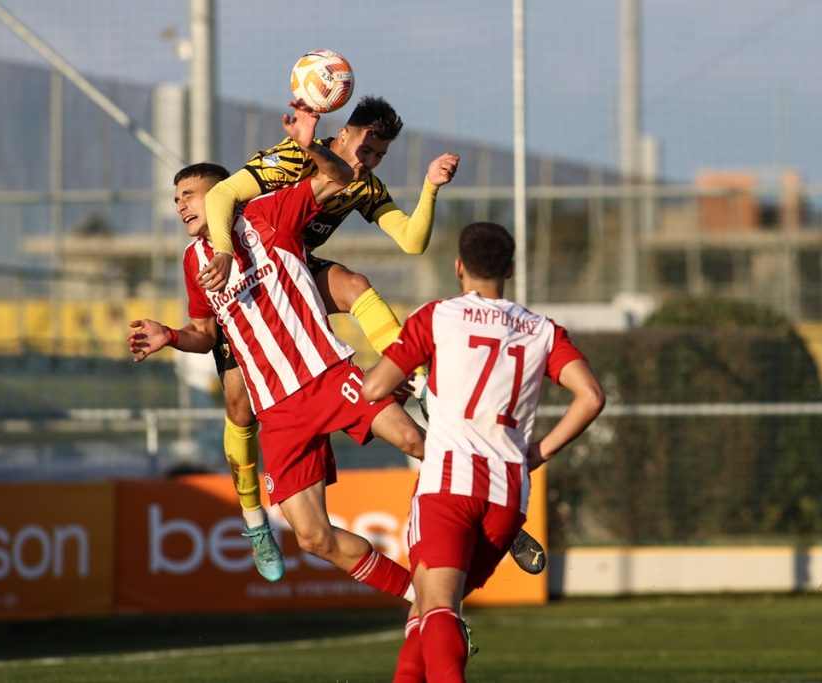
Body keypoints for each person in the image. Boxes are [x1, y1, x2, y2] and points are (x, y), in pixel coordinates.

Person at [127, 102, 424, 600]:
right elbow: (204, 333)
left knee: (417, 443)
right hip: (279, 413)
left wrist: (309, 143)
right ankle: (420, 597)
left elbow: (335, 179)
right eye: (176, 199)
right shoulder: (192, 260)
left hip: (326, 375)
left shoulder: (268, 215)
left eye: (190, 196)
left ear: (222, 195)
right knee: (312, 537)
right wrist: (171, 336)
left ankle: (489, 504)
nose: (181, 207)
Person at [196, 95, 460, 581]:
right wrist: (223, 252)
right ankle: (255, 521)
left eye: (380, 155)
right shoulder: (294, 155)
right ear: (346, 133)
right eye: (367, 148)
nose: (371, 160)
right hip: (242, 273)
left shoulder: (361, 182)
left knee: (357, 286)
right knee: (238, 407)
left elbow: (412, 240)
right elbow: (219, 197)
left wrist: (430, 187)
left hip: (288, 272)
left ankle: (422, 384)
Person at [361, 222, 606, 683]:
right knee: (433, 609)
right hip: (508, 493)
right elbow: (591, 396)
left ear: (458, 267)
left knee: (434, 606)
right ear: (510, 269)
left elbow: (375, 386)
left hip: (448, 485)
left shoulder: (438, 316)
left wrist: (413, 382)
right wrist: (540, 451)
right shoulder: (542, 330)